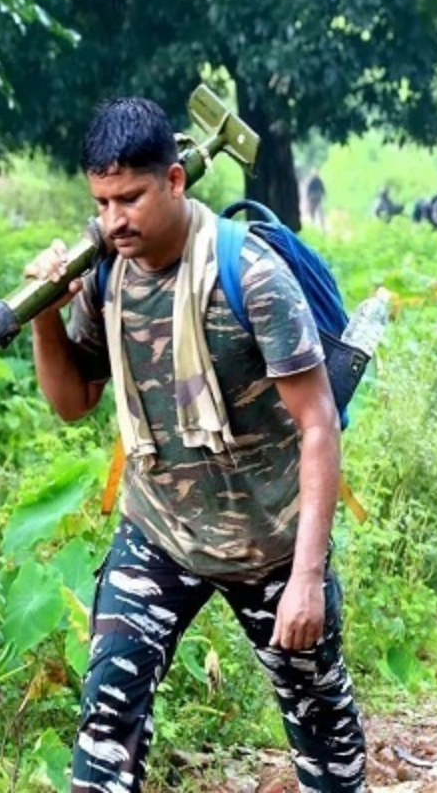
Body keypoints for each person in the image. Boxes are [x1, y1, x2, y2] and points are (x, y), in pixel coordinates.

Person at [25, 98, 366, 791]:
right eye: (101, 201)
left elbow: (319, 425)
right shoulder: (104, 273)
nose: (114, 219)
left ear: (175, 182)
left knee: (323, 741)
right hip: (159, 532)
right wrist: (47, 317)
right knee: (106, 724)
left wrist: (305, 578)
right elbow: (73, 403)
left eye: (131, 197)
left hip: (269, 540)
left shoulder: (253, 279)